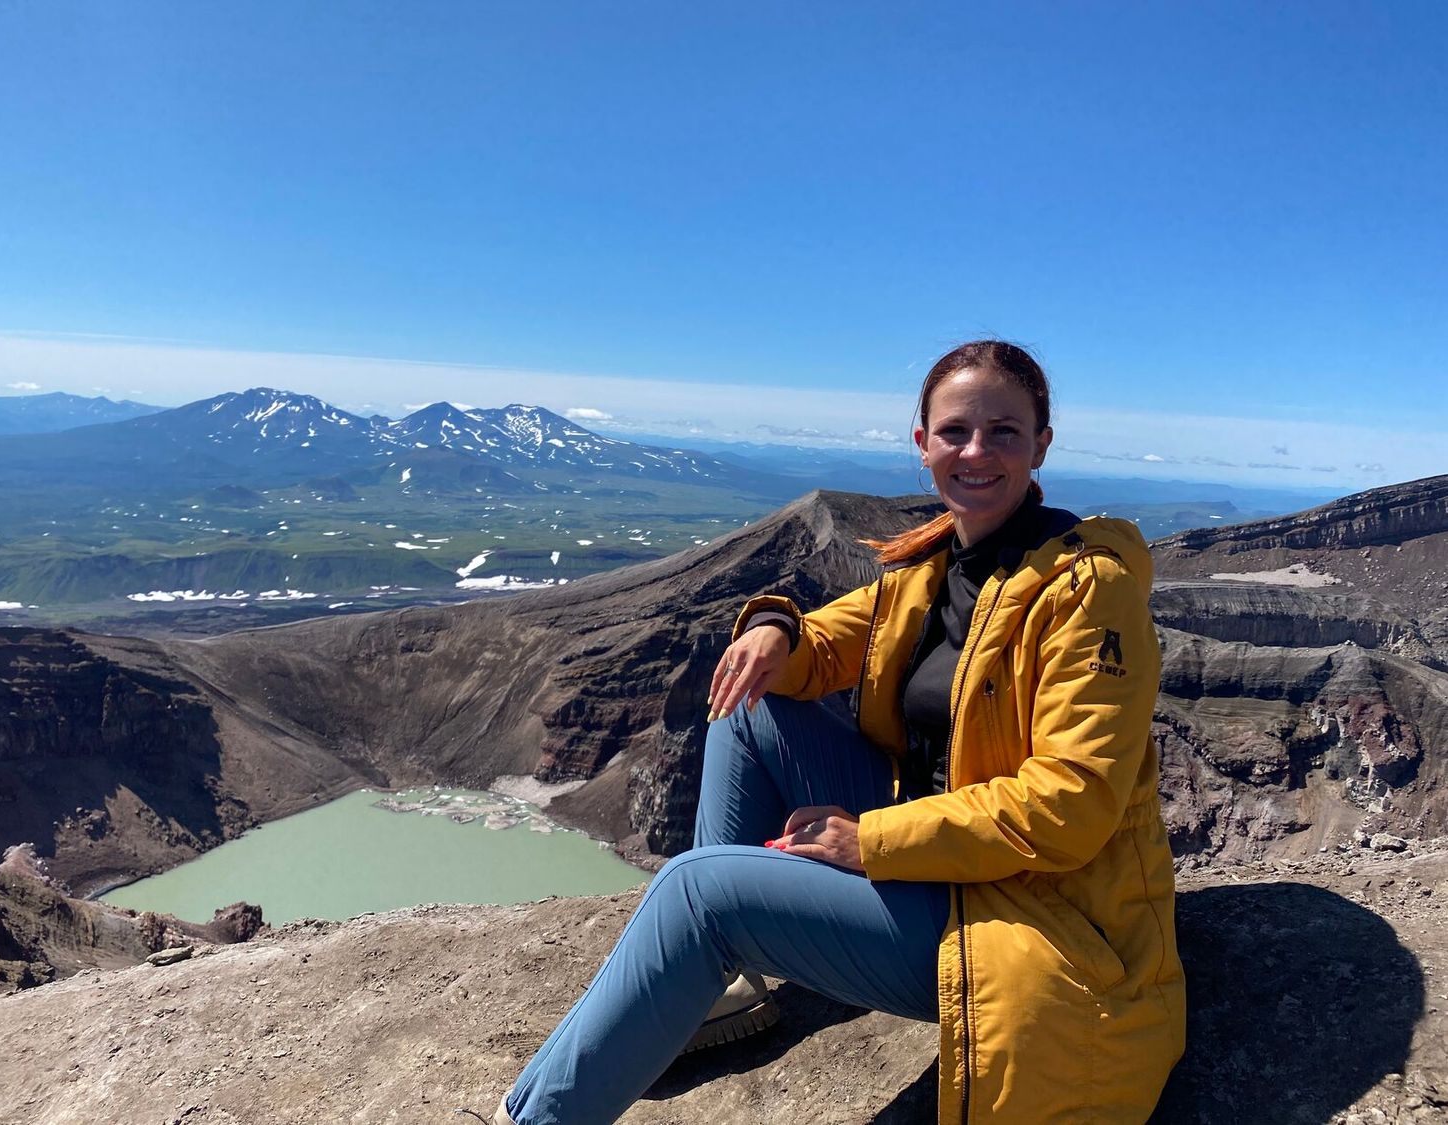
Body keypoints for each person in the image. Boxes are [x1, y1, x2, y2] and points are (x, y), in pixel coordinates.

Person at [480, 340, 1185, 1124]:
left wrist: (871, 840)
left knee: (698, 891)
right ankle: (717, 987)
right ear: (923, 444)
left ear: (1041, 444)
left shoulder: (1087, 591)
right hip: (939, 859)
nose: (976, 451)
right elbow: (824, 645)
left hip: (1021, 910)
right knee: (749, 703)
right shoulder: (934, 566)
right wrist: (775, 627)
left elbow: (1070, 805)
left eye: (1004, 432)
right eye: (954, 431)